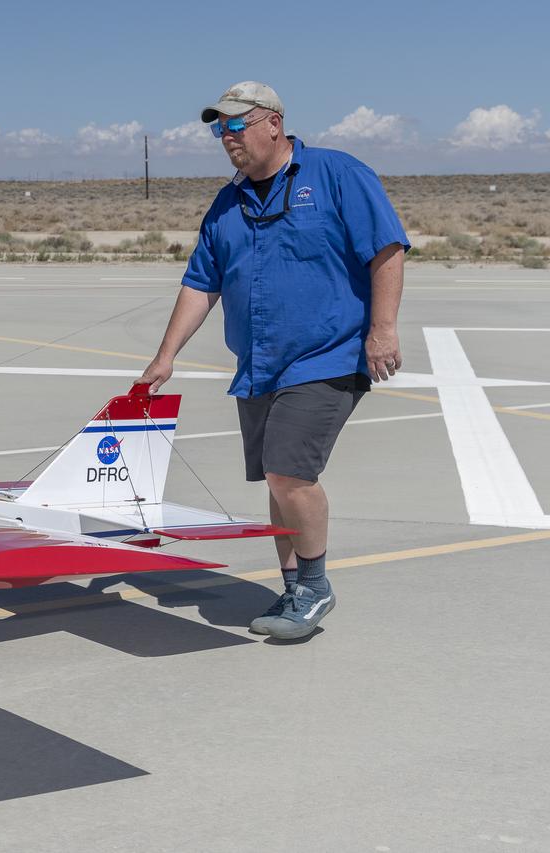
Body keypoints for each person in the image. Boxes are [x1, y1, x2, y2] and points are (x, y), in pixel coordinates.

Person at [139, 81, 409, 640]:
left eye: (236, 125)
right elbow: (200, 283)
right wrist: (165, 357)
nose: (227, 138)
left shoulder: (336, 174)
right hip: (261, 363)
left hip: (328, 355)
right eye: (219, 129)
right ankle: (294, 590)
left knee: (290, 471)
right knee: (277, 480)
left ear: (273, 123)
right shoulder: (227, 203)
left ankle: (314, 587)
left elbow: (386, 248)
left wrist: (382, 330)